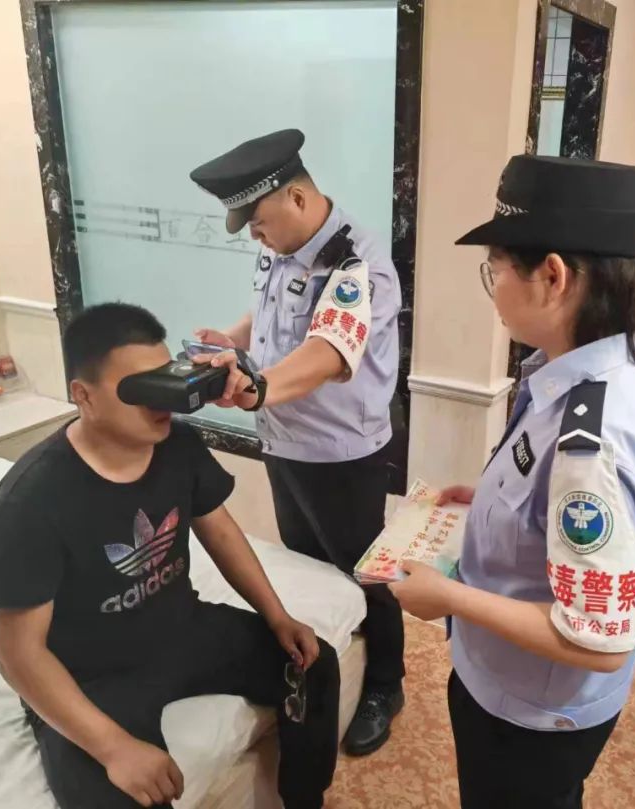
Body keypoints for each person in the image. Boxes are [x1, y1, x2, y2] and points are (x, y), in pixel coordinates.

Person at [389, 154, 635, 809]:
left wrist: (448, 597)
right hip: (516, 683)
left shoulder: (590, 442)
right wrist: (485, 498)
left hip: (531, 713)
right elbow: (544, 495)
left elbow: (598, 639)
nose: (493, 290)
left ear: (553, 276)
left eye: (497, 269)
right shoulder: (599, 365)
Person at [0, 303, 340, 809]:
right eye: (138, 388)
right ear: (83, 395)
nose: (162, 401)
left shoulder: (178, 446)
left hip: (179, 629)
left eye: (164, 380)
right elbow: (18, 654)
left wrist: (277, 616)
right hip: (91, 675)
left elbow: (222, 533)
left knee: (312, 665)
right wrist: (114, 747)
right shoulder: (33, 500)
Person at [189, 129, 405, 755]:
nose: (255, 236)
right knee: (306, 563)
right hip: (285, 441)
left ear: (298, 198)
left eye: (258, 222)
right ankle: (334, 656)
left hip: (340, 451)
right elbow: (269, 314)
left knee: (366, 571)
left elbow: (328, 351)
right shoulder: (284, 246)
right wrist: (231, 341)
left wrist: (256, 388)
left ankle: (385, 685)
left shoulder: (354, 261)